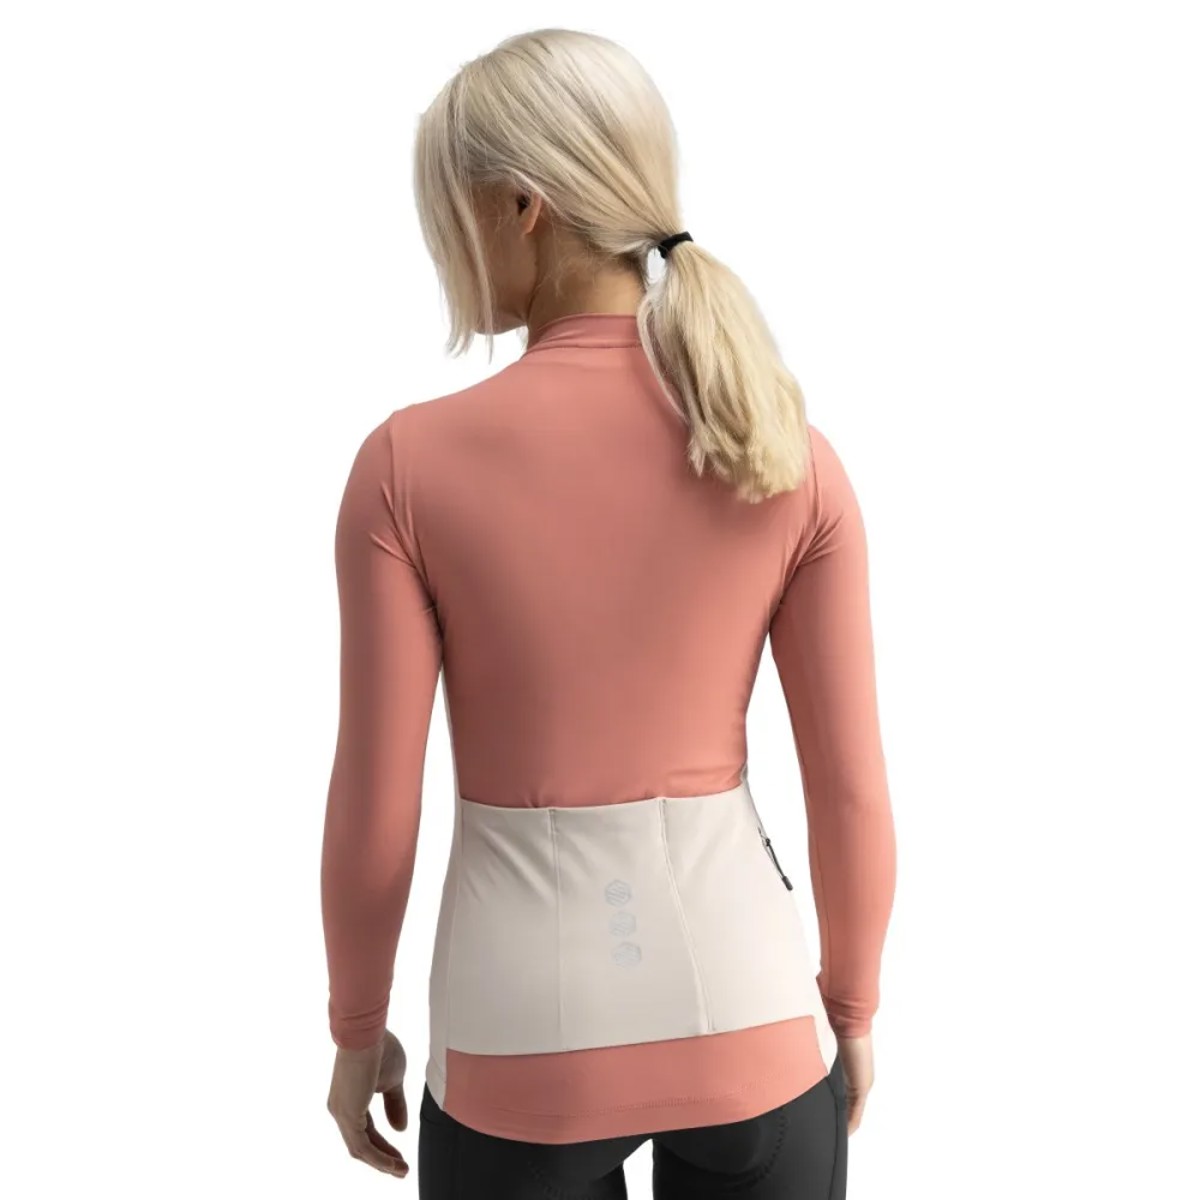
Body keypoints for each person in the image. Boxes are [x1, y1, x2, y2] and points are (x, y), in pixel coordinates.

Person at [320, 26, 896, 1200]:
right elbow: (850, 791)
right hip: (753, 1022)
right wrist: (851, 1009)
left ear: (520, 207)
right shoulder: (785, 452)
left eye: (448, 213)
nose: (442, 248)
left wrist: (355, 1029)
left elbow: (378, 808)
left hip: (516, 1039)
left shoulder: (408, 466)